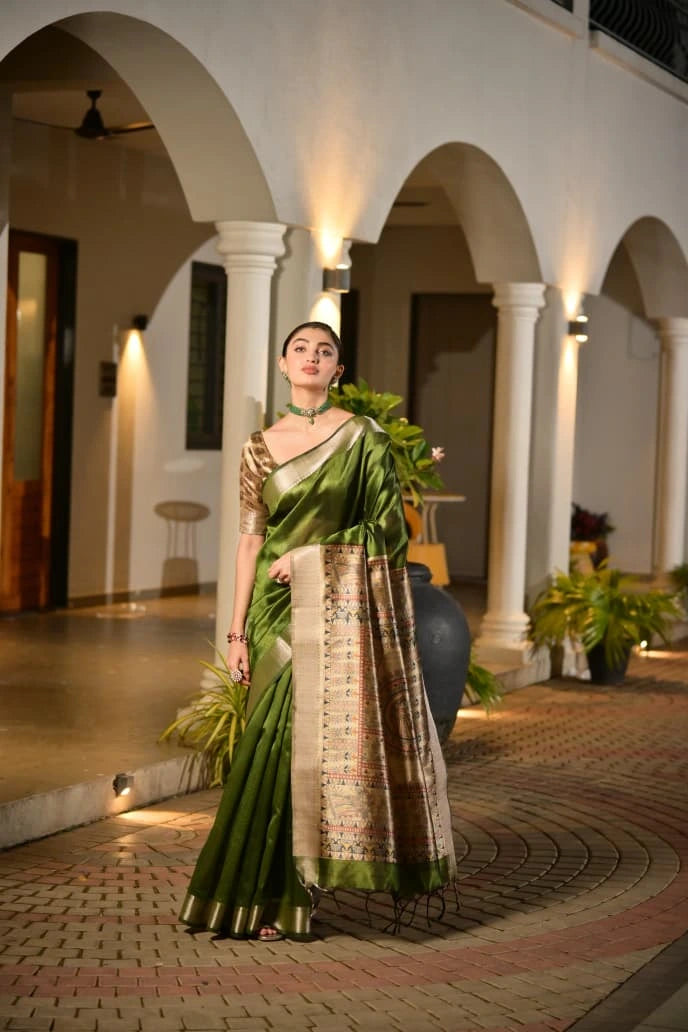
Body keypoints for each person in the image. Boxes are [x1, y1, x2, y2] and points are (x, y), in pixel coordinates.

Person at [179, 321, 455, 942]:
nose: (311, 358)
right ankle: (257, 893)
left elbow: (387, 531)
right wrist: (235, 632)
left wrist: (313, 557)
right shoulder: (257, 446)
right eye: (300, 349)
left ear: (338, 369)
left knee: (300, 748)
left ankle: (287, 895)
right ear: (283, 364)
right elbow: (249, 542)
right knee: (269, 745)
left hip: (334, 607)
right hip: (273, 613)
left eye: (323, 351)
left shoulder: (363, 439)